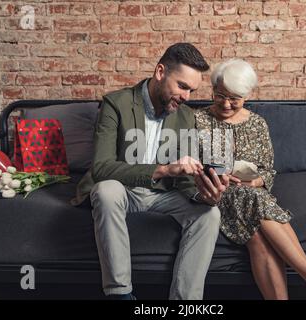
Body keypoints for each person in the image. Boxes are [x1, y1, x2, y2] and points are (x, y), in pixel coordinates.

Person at [72, 43, 228, 300]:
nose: (187, 96)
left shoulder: (186, 116)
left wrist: (204, 194)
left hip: (163, 195)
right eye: (182, 86)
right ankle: (120, 294)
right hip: (123, 190)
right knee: (105, 190)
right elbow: (101, 168)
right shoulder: (116, 103)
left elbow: (186, 181)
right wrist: (164, 169)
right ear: (160, 72)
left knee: (209, 214)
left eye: (192, 90)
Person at [194, 58, 306, 300]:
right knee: (253, 199)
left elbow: (268, 170)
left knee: (258, 236)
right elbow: (191, 165)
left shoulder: (258, 124)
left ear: (247, 96)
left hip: (251, 193)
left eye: (235, 99)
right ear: (213, 90)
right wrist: (215, 174)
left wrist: (255, 181)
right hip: (217, 193)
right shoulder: (197, 121)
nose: (226, 104)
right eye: (220, 96)